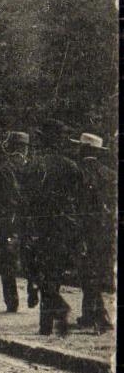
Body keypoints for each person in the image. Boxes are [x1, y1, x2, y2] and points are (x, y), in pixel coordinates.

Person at [24, 120, 82, 336]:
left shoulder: (34, 166)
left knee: (39, 272)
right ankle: (48, 321)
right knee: (53, 274)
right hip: (63, 227)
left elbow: (25, 199)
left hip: (39, 226)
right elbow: (79, 200)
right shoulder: (71, 167)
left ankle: (51, 318)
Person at [0, 130, 35, 312]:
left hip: (9, 222)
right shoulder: (33, 168)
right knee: (31, 255)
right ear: (26, 149)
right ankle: (33, 286)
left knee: (7, 261)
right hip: (30, 220)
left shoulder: (3, 169)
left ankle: (12, 301)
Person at [74, 132, 113, 334]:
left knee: (87, 273)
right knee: (95, 271)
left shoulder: (77, 172)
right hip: (105, 231)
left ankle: (100, 316)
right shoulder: (109, 174)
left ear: (84, 149)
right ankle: (88, 314)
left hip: (83, 230)